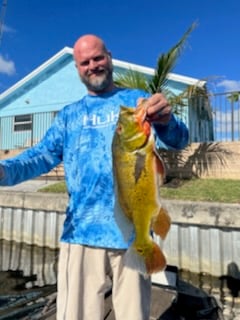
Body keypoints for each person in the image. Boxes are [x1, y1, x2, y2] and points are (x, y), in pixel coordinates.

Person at [0, 34, 189, 320]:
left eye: (98, 58)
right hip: (80, 233)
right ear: (77, 69)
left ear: (109, 57)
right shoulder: (68, 116)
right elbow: (38, 158)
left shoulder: (136, 102)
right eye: (84, 62)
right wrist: (4, 171)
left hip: (130, 237)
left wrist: (166, 120)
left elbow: (179, 139)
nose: (93, 65)